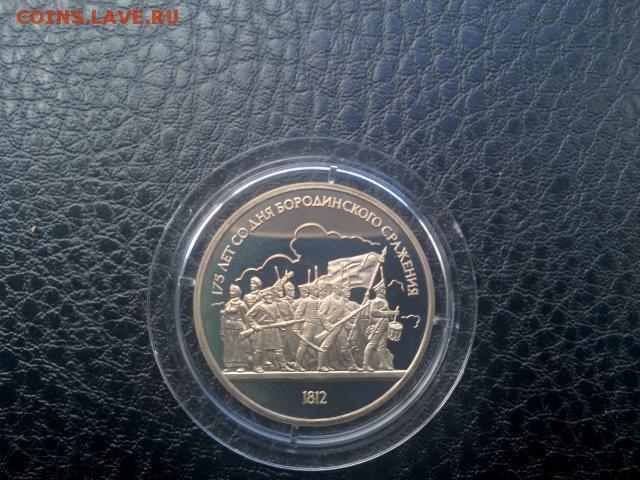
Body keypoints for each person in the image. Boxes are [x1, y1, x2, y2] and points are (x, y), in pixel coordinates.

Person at [245, 288, 293, 372]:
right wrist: (255, 326)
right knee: (258, 349)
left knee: (278, 349)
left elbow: (278, 316)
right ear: (263, 296)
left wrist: (281, 323)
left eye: (271, 294)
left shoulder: (274, 305)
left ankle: (283, 367)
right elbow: (248, 316)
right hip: (262, 330)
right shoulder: (259, 305)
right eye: (267, 295)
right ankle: (256, 366)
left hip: (273, 329)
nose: (270, 296)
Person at [317, 283, 359, 372]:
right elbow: (320, 314)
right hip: (332, 327)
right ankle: (320, 366)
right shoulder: (328, 300)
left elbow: (343, 312)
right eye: (342, 288)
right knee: (325, 346)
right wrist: (327, 325)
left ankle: (352, 365)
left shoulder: (341, 300)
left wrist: (353, 314)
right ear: (336, 288)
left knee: (345, 345)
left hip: (340, 326)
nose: (343, 291)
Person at [363, 281, 397, 372]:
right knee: (372, 344)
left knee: (382, 345)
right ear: (380, 290)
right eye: (384, 290)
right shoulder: (375, 301)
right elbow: (374, 312)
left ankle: (383, 364)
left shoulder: (384, 300)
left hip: (385, 324)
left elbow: (386, 312)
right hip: (378, 324)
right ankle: (365, 365)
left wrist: (392, 314)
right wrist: (391, 313)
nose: (385, 291)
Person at [293, 283, 322, 371]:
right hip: (309, 325)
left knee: (319, 344)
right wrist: (295, 326)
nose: (318, 291)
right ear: (311, 291)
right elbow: (298, 314)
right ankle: (298, 364)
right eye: (316, 290)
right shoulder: (305, 301)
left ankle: (319, 365)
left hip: (319, 326)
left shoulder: (321, 301)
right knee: (304, 345)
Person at [220, 284, 249, 371]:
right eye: (230, 291)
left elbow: (247, 318)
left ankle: (242, 365)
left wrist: (246, 329)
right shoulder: (228, 303)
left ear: (237, 292)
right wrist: (222, 330)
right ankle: (229, 366)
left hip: (239, 328)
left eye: (232, 291)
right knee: (229, 347)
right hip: (228, 328)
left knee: (239, 347)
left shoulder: (241, 304)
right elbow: (224, 317)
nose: (230, 292)